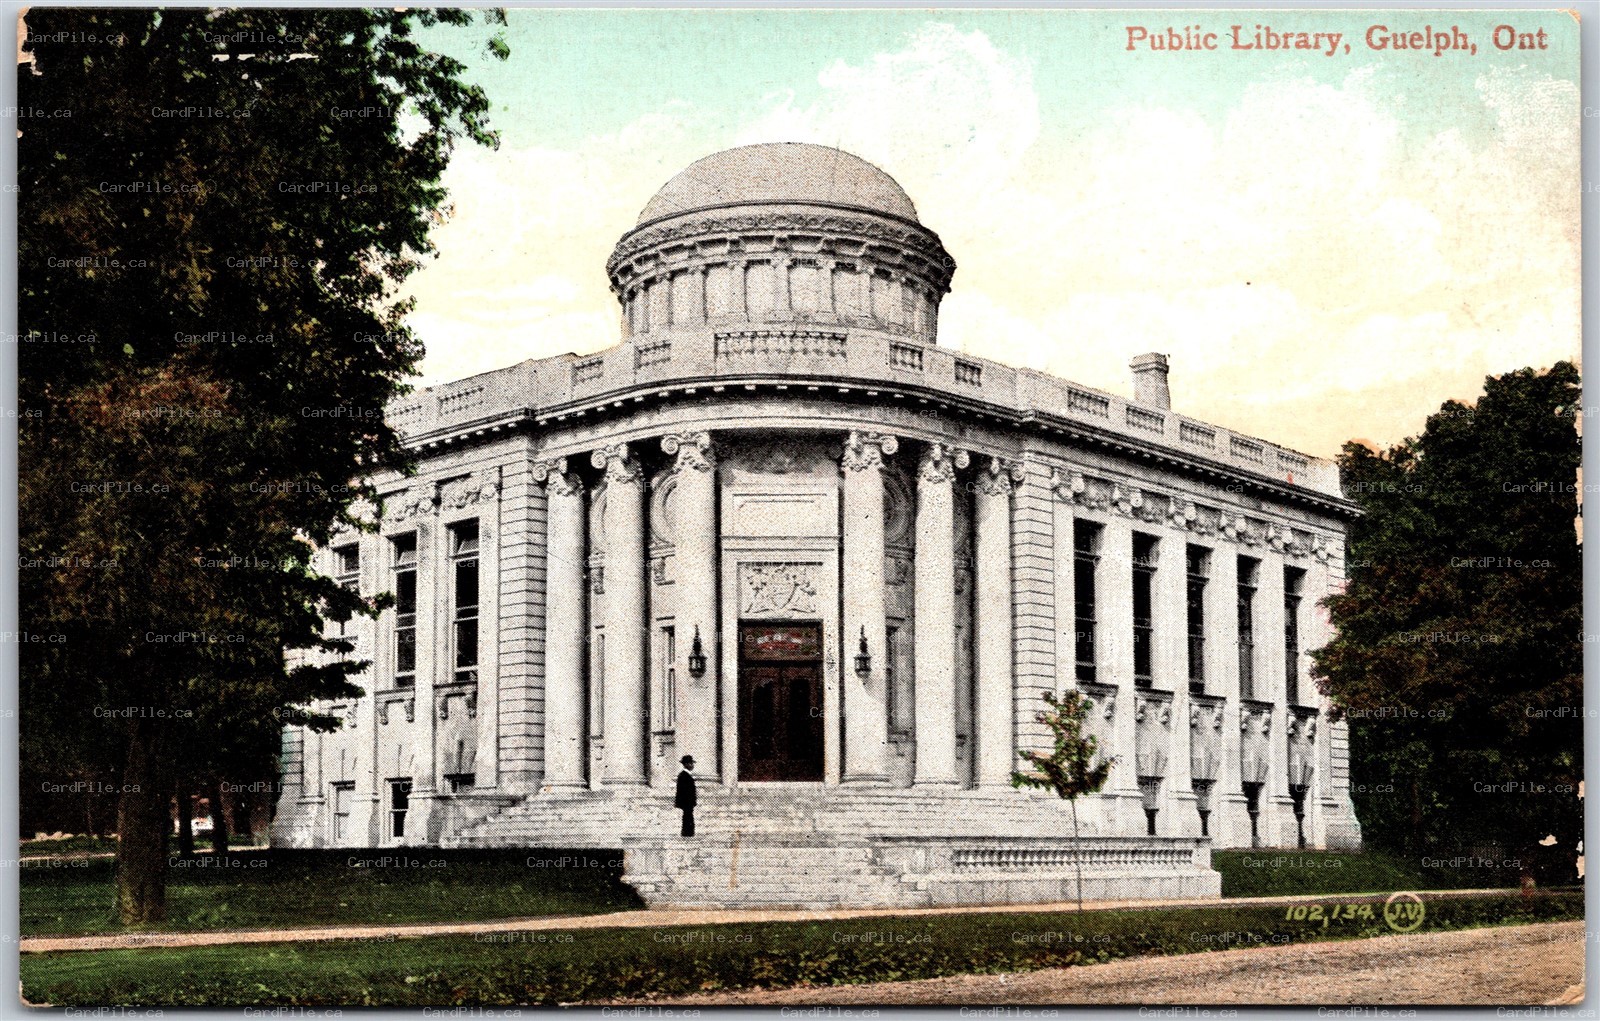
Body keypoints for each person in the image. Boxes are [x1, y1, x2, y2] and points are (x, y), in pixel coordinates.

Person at [674, 755, 697, 837]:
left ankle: (688, 832)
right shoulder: (683, 776)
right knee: (687, 816)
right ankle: (687, 832)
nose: (692, 765)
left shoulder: (686, 775)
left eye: (692, 763)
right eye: (691, 763)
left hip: (688, 801)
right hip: (686, 801)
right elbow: (683, 790)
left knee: (688, 816)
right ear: (686, 764)